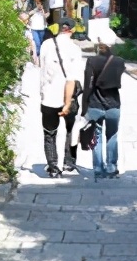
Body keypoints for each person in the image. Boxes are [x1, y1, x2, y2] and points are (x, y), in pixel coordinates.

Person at [39, 18, 84, 177]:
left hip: (48, 96)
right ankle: (69, 162)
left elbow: (42, 68)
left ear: (59, 28)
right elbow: (73, 78)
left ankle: (53, 167)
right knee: (71, 130)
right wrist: (68, 101)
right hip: (68, 98)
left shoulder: (46, 45)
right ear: (71, 30)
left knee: (49, 132)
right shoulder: (75, 49)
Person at [81, 41, 124, 179]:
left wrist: (84, 107)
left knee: (96, 136)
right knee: (112, 135)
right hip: (113, 104)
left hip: (95, 103)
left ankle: (98, 168)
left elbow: (87, 85)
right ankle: (112, 167)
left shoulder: (92, 61)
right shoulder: (119, 61)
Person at [27, 0, 49, 64]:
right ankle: (39, 59)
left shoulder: (44, 3)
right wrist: (36, 9)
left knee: (42, 43)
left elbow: (47, 14)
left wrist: (43, 10)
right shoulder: (31, 3)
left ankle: (42, 58)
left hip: (42, 26)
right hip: (33, 27)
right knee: (37, 43)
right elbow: (28, 13)